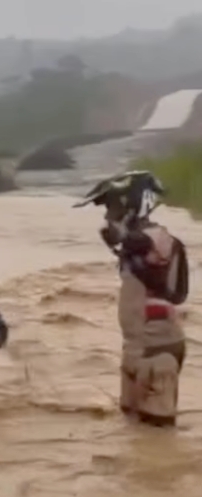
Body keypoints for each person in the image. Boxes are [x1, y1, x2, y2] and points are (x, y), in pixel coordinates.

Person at [75, 170, 189, 427]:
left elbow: (151, 245)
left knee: (156, 433)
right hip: (136, 347)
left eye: (112, 207)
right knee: (132, 427)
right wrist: (122, 243)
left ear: (131, 204)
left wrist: (124, 238)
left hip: (157, 348)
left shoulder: (156, 237)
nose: (107, 215)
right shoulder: (134, 246)